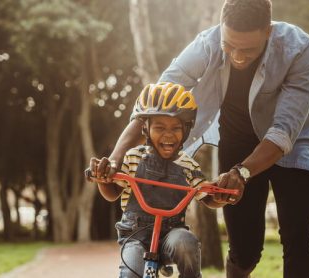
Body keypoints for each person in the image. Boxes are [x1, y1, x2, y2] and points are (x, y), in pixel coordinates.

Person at [106, 0, 309, 277]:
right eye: (229, 46)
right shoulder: (206, 44)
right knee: (244, 249)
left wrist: (242, 172)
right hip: (237, 141)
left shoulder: (301, 49)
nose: (237, 57)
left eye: (247, 49)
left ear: (268, 32)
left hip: (293, 145)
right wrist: (115, 159)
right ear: (221, 29)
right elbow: (155, 105)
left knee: (297, 237)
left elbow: (283, 131)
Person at [89, 82, 224, 278]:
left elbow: (206, 194)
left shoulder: (188, 164)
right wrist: (103, 179)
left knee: (187, 244)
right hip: (135, 235)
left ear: (186, 130)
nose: (168, 134)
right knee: (131, 272)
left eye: (176, 128)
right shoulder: (133, 157)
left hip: (172, 234)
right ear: (145, 128)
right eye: (159, 127)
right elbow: (112, 193)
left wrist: (219, 194)